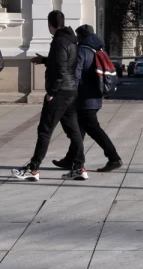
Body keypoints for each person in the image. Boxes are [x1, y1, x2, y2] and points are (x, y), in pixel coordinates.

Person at [12, 10, 87, 182]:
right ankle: (79, 167)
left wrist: (52, 92)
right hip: (71, 91)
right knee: (74, 132)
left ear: (50, 25)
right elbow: (66, 64)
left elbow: (61, 70)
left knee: (44, 131)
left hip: (60, 93)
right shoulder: (71, 40)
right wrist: (45, 60)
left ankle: (33, 168)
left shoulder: (59, 41)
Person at [53, 24, 122, 173]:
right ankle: (70, 159)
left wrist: (69, 92)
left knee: (93, 129)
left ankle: (114, 158)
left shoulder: (82, 51)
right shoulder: (98, 50)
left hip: (85, 99)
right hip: (95, 98)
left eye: (78, 36)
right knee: (80, 129)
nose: (76, 39)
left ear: (81, 37)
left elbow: (75, 75)